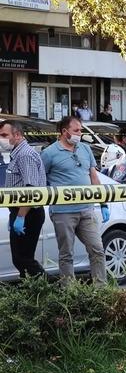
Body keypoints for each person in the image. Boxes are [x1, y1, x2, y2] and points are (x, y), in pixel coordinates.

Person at [41, 116, 108, 284]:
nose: (80, 133)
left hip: (86, 209)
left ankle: (101, 291)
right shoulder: (49, 153)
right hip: (63, 212)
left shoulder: (85, 149)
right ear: (64, 132)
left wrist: (103, 203)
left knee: (97, 249)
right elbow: (41, 180)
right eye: (76, 130)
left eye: (81, 130)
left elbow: (94, 177)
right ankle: (69, 293)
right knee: (66, 254)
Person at [1, 120, 47, 279]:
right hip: (21, 212)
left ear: (18, 135)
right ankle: (31, 293)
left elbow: (31, 190)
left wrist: (20, 217)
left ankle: (47, 288)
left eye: (4, 135)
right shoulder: (18, 154)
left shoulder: (25, 155)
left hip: (28, 213)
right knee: (21, 260)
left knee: (23, 259)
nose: (2, 139)